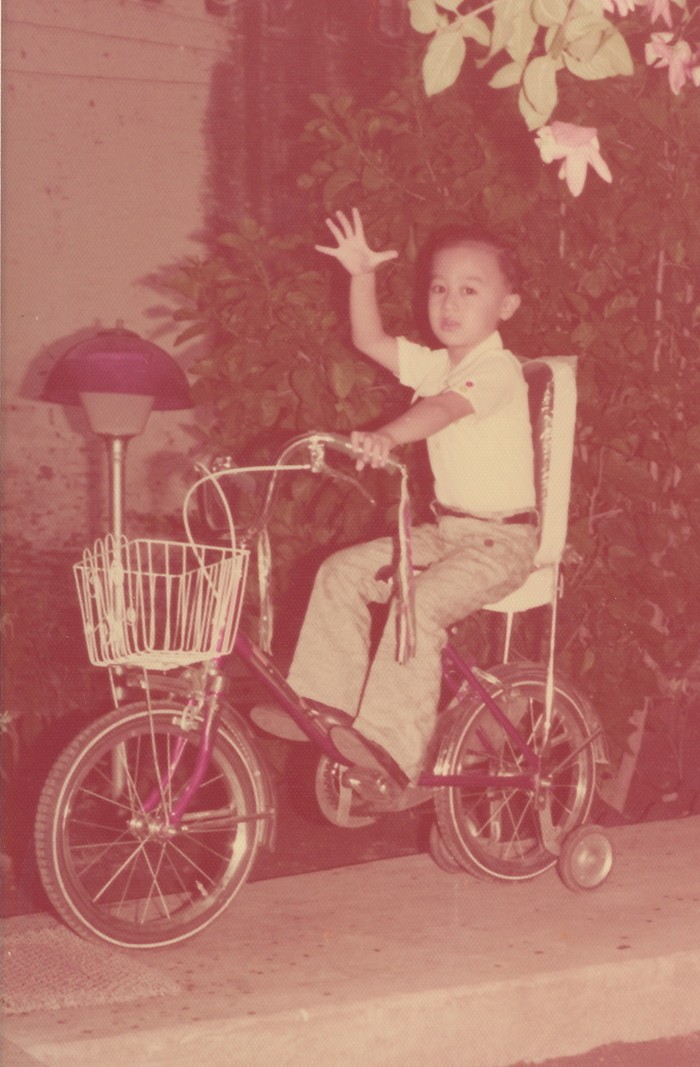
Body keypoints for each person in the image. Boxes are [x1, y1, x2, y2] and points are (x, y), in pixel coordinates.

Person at [252, 208, 538, 794]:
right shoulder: (438, 365)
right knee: (341, 572)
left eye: (468, 290)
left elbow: (442, 410)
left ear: (506, 306)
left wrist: (388, 434)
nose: (449, 304)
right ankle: (324, 707)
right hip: (446, 534)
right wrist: (360, 275)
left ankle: (391, 749)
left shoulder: (498, 371)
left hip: (502, 542)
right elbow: (369, 339)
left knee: (420, 604)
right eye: (438, 288)